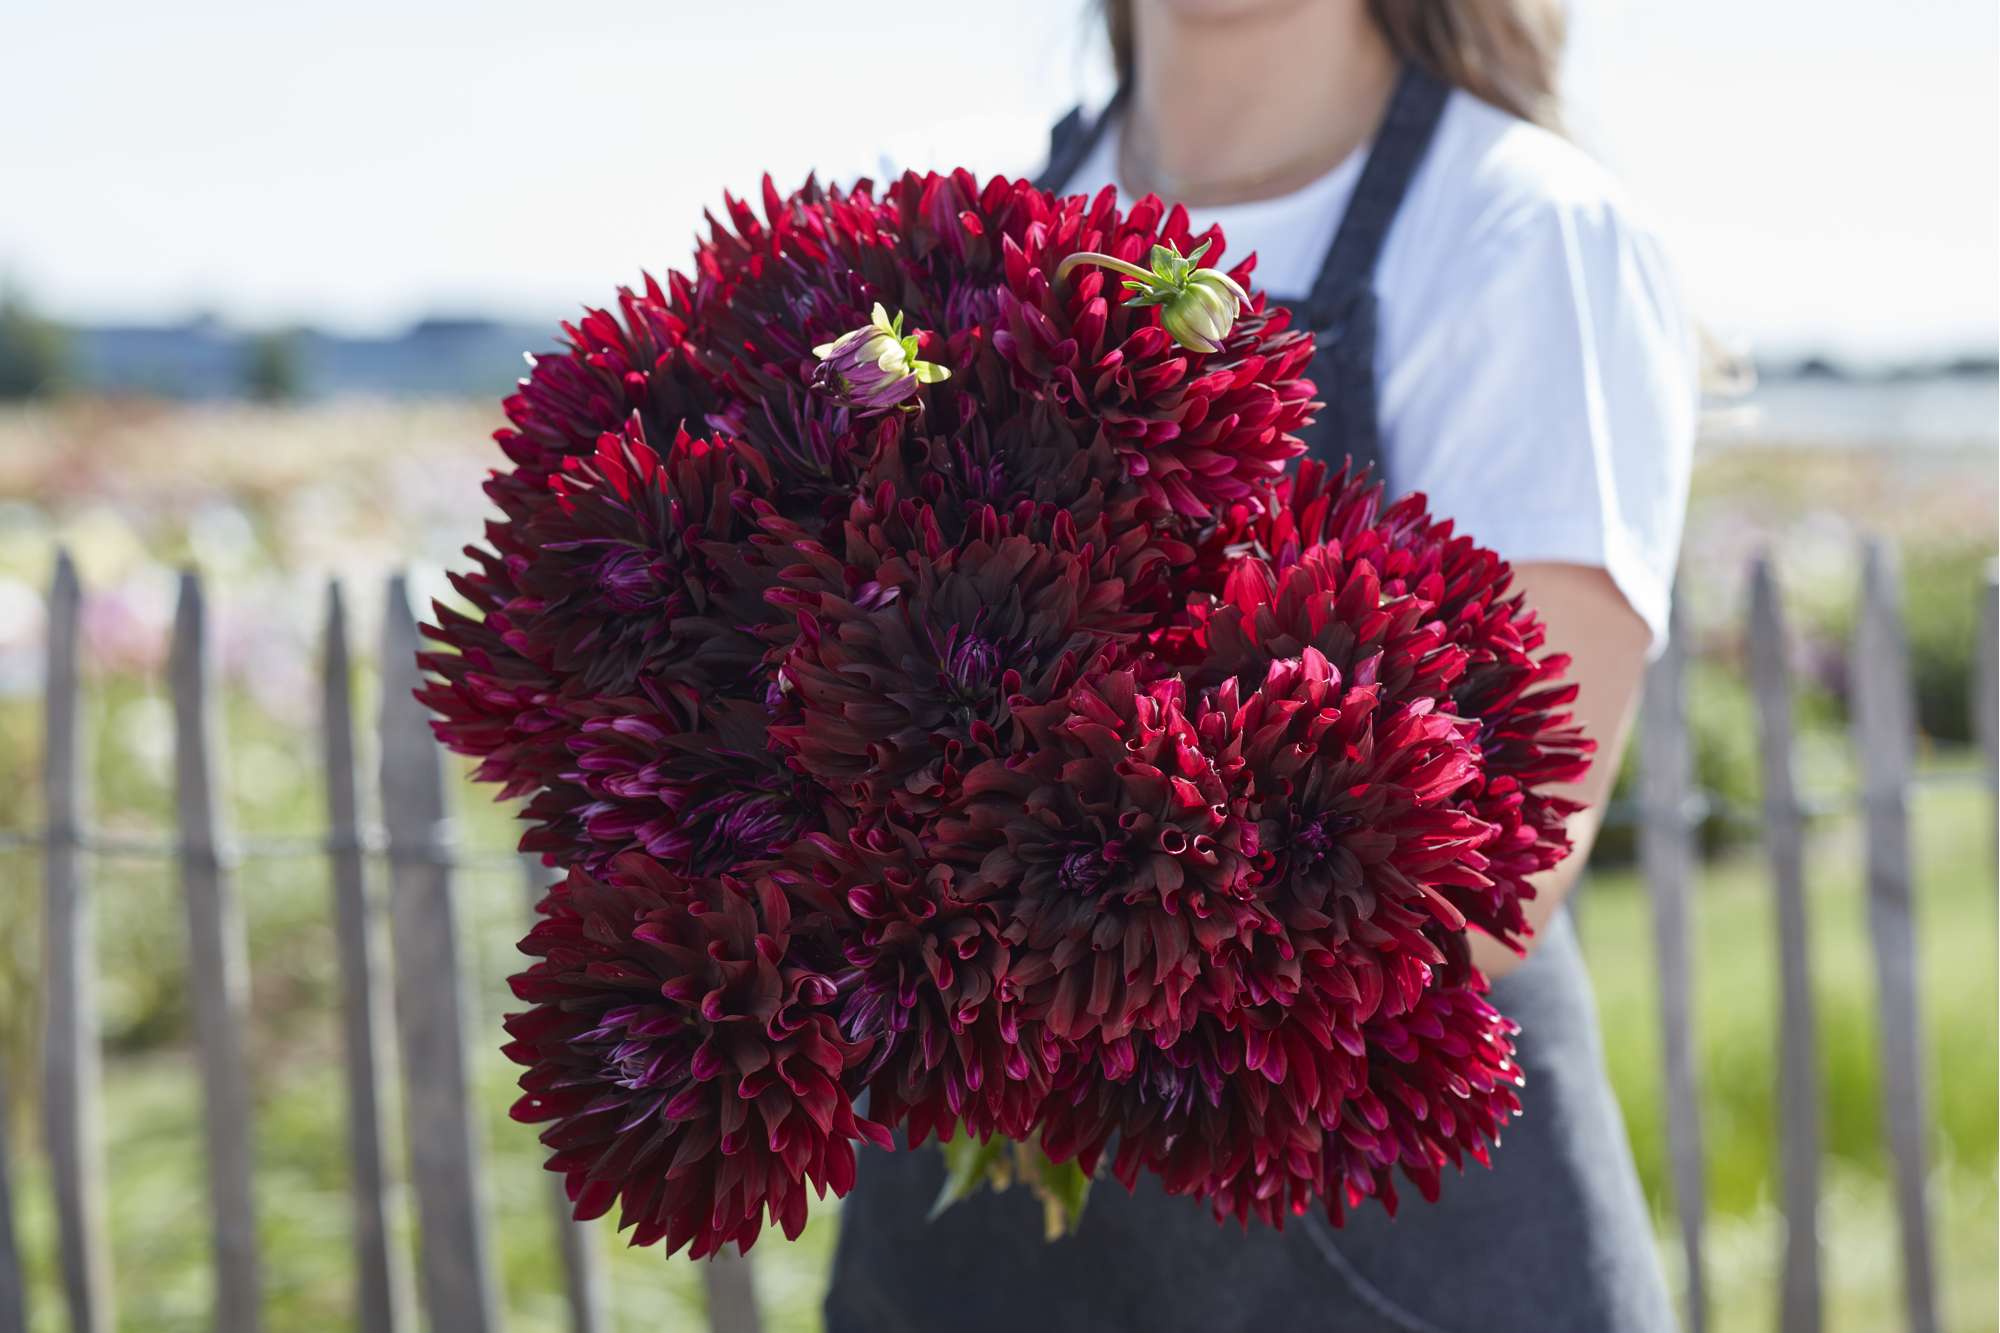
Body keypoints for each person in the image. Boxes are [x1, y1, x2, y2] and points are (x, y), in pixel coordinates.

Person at [825, 1, 1698, 1328]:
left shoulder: (1526, 237)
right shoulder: (934, 224)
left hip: (1380, 1259)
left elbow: (1488, 880)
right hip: (957, 1259)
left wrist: (954, 875)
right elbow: (769, 549)